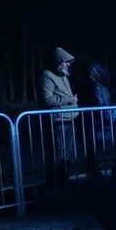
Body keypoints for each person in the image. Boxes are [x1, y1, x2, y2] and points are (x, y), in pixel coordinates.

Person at [40, 47, 79, 189]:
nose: (69, 64)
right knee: (59, 154)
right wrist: (69, 99)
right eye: (66, 62)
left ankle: (64, 182)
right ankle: (57, 185)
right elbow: (48, 99)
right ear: (59, 62)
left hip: (69, 119)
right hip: (58, 121)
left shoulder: (64, 75)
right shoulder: (47, 75)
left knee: (67, 154)